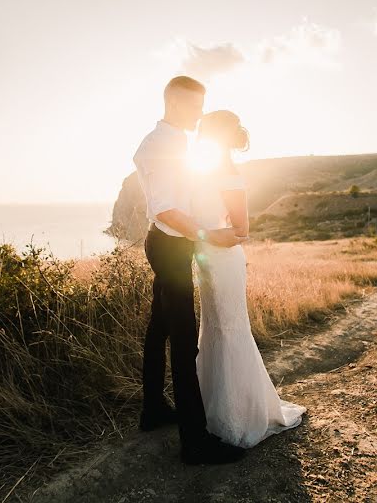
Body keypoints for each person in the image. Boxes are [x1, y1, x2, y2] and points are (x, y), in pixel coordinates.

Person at [132, 75, 248, 465]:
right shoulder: (160, 146)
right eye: (197, 106)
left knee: (158, 328)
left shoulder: (176, 141)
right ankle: (195, 443)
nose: (200, 114)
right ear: (177, 104)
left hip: (171, 244)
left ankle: (153, 410)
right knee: (184, 342)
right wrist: (208, 234)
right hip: (169, 246)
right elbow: (165, 208)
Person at [190, 110, 307, 448]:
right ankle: (211, 410)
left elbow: (241, 229)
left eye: (205, 131)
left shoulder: (230, 174)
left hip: (223, 259)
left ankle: (238, 417)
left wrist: (201, 233)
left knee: (229, 328)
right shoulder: (201, 172)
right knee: (211, 328)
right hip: (206, 259)